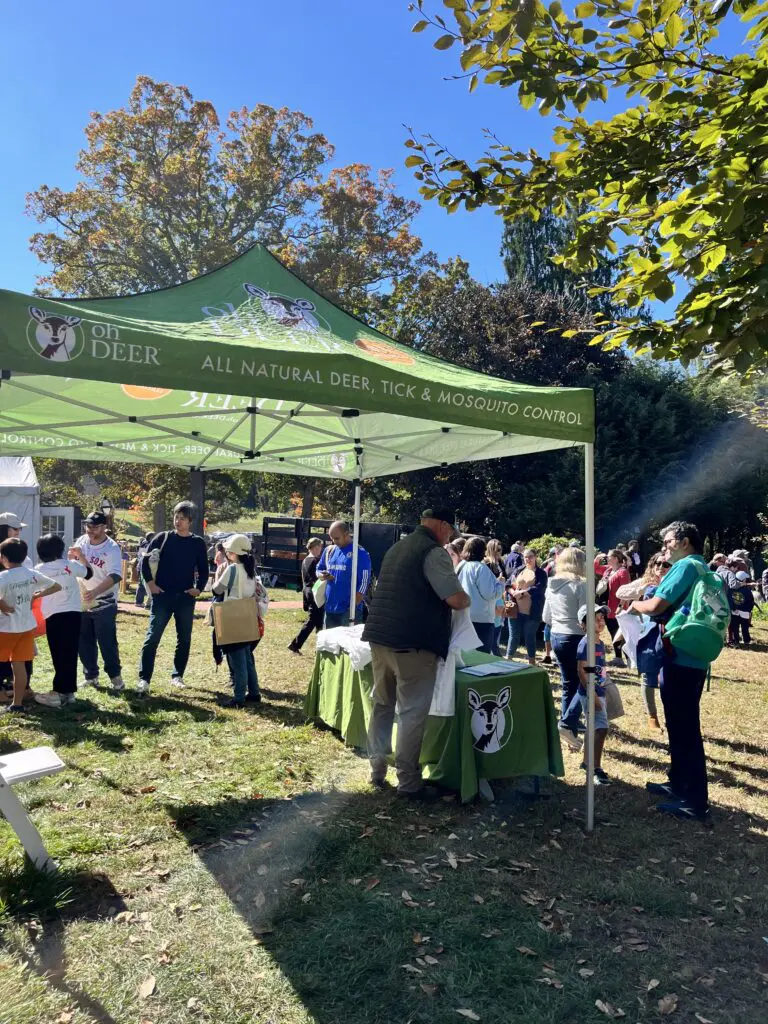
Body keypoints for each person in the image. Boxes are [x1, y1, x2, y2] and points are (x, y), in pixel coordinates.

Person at [364, 507, 470, 799]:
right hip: (411, 644)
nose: (450, 537)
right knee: (411, 713)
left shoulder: (398, 546)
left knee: (382, 705)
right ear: (441, 524)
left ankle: (376, 769)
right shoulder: (433, 552)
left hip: (380, 638)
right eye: (450, 531)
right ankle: (409, 782)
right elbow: (456, 599)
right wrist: (467, 596)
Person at [629, 520, 716, 822]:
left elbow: (655, 605)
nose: (664, 546)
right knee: (681, 724)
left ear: (684, 541)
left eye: (667, 541)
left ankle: (694, 800)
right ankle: (678, 783)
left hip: (679, 657)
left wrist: (633, 603)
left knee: (685, 729)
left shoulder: (685, 566)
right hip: (693, 656)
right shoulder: (702, 566)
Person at [137, 501, 209, 696]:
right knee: (152, 638)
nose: (178, 521)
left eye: (182, 518)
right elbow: (144, 561)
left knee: (184, 639)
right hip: (162, 596)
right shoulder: (163, 538)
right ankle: (144, 679)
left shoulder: (197, 543)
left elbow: (204, 569)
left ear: (190, 521)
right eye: (176, 517)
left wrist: (198, 588)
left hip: (185, 599)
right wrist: (151, 584)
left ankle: (177, 675)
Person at [0, 538, 61, 713]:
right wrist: (35, 595)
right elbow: (56, 586)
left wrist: (2, 605)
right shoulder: (31, 574)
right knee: (18, 666)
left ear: (3, 557)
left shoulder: (4, 577)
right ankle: (17, 704)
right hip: (26, 628)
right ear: (25, 555)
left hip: (5, 628)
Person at [33, 535, 94, 709]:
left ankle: (59, 692)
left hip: (53, 615)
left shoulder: (39, 569)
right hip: (74, 614)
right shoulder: (70, 565)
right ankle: (69, 692)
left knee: (58, 653)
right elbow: (89, 573)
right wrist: (80, 556)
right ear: (60, 550)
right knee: (70, 652)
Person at [211, 534, 268, 708]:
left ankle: (238, 698)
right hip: (248, 615)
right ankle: (254, 692)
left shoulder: (232, 569)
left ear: (234, 552)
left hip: (232, 616)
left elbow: (217, 589)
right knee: (247, 658)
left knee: (237, 661)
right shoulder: (251, 569)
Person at [74, 511, 125, 692]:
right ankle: (90, 675)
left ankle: (115, 677)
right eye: (88, 526)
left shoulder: (111, 548)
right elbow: (72, 562)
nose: (90, 530)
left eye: (95, 527)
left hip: (104, 601)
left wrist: (95, 591)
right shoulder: (81, 541)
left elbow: (116, 575)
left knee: (107, 640)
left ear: (105, 527)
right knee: (84, 639)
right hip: (82, 599)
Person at [543, 546, 587, 752]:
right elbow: (585, 616)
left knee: (569, 683)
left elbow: (546, 618)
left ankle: (569, 732)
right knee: (588, 683)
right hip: (576, 636)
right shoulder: (581, 585)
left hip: (557, 635)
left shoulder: (551, 585)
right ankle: (568, 723)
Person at [633, 553, 671, 731]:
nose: (661, 567)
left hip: (672, 637)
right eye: (657, 563)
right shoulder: (651, 588)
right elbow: (653, 611)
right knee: (648, 676)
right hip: (651, 636)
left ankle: (669, 716)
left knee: (669, 679)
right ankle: (652, 716)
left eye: (666, 564)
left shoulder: (675, 588)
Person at [575, 602, 612, 786]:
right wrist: (593, 695)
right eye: (596, 620)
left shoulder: (601, 643)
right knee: (601, 729)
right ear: (584, 625)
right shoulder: (585, 644)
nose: (601, 622)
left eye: (602, 618)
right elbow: (582, 671)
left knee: (593, 728)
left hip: (599, 690)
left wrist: (604, 683)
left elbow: (596, 668)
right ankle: (595, 768)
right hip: (591, 693)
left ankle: (587, 762)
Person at [316, 520, 372, 628]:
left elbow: (365, 581)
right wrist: (321, 575)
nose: (333, 541)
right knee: (330, 644)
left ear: (346, 535)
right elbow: (319, 568)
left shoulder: (360, 553)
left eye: (337, 538)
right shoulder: (329, 550)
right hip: (330, 608)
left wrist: (353, 604)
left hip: (349, 611)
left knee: (347, 644)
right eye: (331, 538)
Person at [457, 536, 505, 654]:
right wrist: (500, 583)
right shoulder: (481, 568)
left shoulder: (461, 566)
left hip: (463, 615)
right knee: (481, 657)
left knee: (465, 655)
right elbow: (490, 594)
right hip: (481, 619)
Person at [506, 548, 548, 665]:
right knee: (513, 636)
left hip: (532, 611)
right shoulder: (519, 570)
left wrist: (523, 592)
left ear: (535, 557)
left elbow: (540, 588)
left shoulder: (541, 573)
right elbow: (508, 584)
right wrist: (512, 592)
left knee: (529, 636)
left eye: (530, 556)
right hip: (515, 609)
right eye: (525, 557)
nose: (527, 559)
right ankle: (508, 659)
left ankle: (531, 661)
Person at [594, 549, 631, 667]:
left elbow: (626, 591)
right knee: (613, 633)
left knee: (622, 633)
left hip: (618, 608)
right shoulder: (608, 570)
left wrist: (621, 606)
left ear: (615, 558)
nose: (607, 558)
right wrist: (597, 558)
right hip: (608, 608)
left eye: (609, 557)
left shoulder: (623, 572)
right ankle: (618, 658)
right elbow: (595, 568)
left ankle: (630, 659)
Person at [288, 537, 325, 655]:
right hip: (314, 592)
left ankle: (318, 647)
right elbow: (316, 578)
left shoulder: (306, 560)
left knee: (317, 621)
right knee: (314, 621)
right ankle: (296, 645)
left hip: (308, 592)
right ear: (315, 547)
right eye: (320, 546)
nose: (321, 549)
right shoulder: (314, 560)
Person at [728, 571, 754, 647]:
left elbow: (730, 599)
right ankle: (746, 641)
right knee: (745, 627)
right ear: (744, 580)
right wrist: (748, 610)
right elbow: (750, 601)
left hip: (734, 611)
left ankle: (736, 641)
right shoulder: (747, 590)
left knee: (735, 627)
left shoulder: (732, 589)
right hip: (744, 612)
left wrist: (733, 608)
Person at [134, 532, 154, 608]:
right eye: (151, 537)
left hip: (141, 566)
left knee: (142, 584)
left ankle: (139, 601)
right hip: (144, 566)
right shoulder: (147, 545)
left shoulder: (143, 544)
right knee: (143, 584)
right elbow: (144, 556)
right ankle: (140, 602)